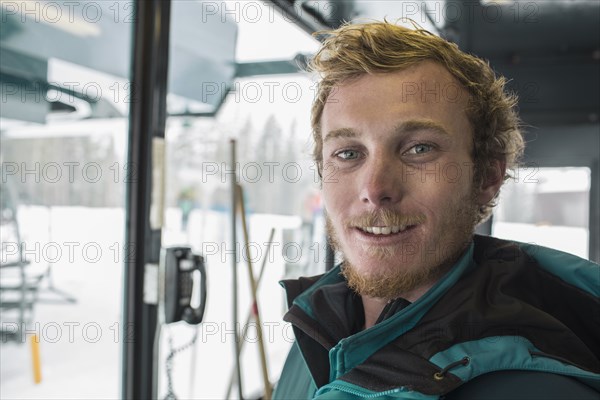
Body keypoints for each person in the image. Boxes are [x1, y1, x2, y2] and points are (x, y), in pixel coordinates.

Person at [273, 21, 599, 399]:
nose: (375, 189)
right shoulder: (317, 328)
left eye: (419, 149)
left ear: (487, 176)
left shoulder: (536, 388)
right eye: (348, 153)